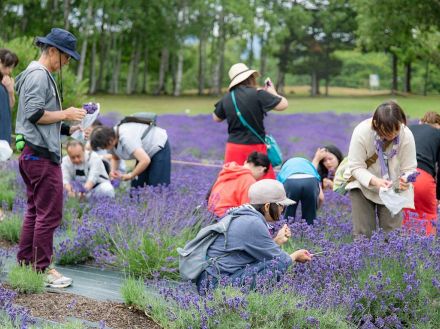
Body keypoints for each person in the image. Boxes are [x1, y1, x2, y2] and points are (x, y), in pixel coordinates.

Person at [15, 28, 86, 288]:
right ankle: (43, 269)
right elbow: (34, 113)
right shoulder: (38, 76)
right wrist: (65, 114)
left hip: (32, 154)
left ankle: (26, 264)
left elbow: (37, 118)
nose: (66, 63)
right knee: (49, 214)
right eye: (66, 57)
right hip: (41, 157)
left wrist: (70, 128)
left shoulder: (35, 74)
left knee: (35, 211)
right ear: (52, 50)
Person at [196, 179, 312, 294]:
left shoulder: (242, 215)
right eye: (281, 205)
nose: (282, 210)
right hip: (215, 285)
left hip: (209, 280)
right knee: (274, 267)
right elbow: (282, 260)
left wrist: (276, 241)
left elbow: (248, 253)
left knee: (267, 264)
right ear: (267, 206)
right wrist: (296, 255)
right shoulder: (252, 223)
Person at [344, 101, 417, 238]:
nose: (393, 134)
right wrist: (375, 181)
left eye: (397, 129)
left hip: (392, 186)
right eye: (388, 131)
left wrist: (406, 179)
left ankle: (394, 259)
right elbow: (355, 166)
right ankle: (364, 258)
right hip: (363, 184)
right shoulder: (362, 132)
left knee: (393, 234)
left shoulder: (405, 134)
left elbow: (410, 168)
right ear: (376, 124)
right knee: (364, 233)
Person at [213, 63, 288, 179]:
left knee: (233, 182)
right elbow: (283, 105)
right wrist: (272, 92)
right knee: (263, 187)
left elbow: (216, 117)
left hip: (234, 148)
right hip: (255, 148)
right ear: (250, 78)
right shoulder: (258, 94)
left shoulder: (227, 97)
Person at [89, 122, 170, 188]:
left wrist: (131, 175)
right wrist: (113, 172)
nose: (104, 149)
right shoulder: (111, 137)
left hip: (157, 145)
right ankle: (140, 206)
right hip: (143, 153)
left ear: (110, 141)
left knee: (157, 184)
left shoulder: (126, 138)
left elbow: (145, 160)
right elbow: (115, 157)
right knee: (137, 186)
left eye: (104, 147)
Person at [402, 111, 440, 235]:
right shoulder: (438, 134)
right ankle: (427, 251)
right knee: (428, 217)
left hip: (400, 177)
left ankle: (402, 251)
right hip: (422, 177)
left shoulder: (407, 129)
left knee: (403, 217)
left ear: (421, 122)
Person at [207, 151, 270, 218]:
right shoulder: (249, 180)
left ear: (246, 162)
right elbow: (247, 210)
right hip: (226, 217)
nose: (260, 177)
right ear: (262, 169)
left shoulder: (227, 170)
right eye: (263, 175)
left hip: (209, 214)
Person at [277, 157, 324, 224]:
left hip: (290, 181)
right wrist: (314, 210)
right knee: (309, 219)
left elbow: (278, 194)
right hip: (311, 180)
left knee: (287, 216)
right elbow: (321, 197)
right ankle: (309, 230)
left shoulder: (284, 169)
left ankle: (286, 230)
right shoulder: (310, 167)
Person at [0, 49, 19, 144]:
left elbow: (10, 107)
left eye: (12, 67)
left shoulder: (6, 82)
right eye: (7, 66)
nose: (9, 70)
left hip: (4, 136)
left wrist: (10, 91)